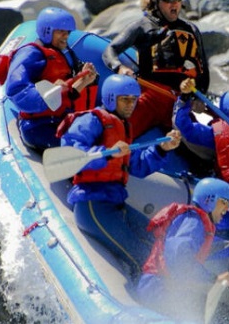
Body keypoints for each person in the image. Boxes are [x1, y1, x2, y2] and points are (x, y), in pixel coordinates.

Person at [56, 74, 182, 277]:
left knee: (159, 240)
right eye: (125, 99)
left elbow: (138, 166)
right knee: (142, 259)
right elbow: (69, 150)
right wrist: (105, 154)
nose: (131, 105)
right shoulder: (92, 120)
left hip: (116, 205)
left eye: (134, 100)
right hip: (93, 206)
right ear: (110, 98)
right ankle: (148, 301)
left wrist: (162, 149)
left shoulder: (122, 127)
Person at [102, 0, 211, 138]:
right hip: (151, 97)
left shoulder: (191, 30)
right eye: (168, 0)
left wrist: (199, 97)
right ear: (155, 2)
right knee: (120, 136)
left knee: (199, 150)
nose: (174, 4)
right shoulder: (142, 26)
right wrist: (119, 67)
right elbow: (110, 50)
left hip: (180, 102)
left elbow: (203, 71)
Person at [136, 178, 229, 322]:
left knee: (226, 315)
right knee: (227, 318)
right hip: (158, 289)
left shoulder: (197, 223)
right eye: (224, 202)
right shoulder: (193, 221)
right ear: (209, 200)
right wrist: (214, 278)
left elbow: (213, 248)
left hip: (162, 288)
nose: (228, 208)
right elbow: (178, 256)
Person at [5, 7, 98, 152]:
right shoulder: (30, 54)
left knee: (99, 136)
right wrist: (48, 93)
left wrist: (83, 82)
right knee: (78, 148)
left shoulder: (61, 54)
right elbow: (16, 89)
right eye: (61, 31)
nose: (66, 36)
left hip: (60, 120)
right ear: (46, 31)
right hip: (37, 125)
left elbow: (63, 98)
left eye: (67, 32)